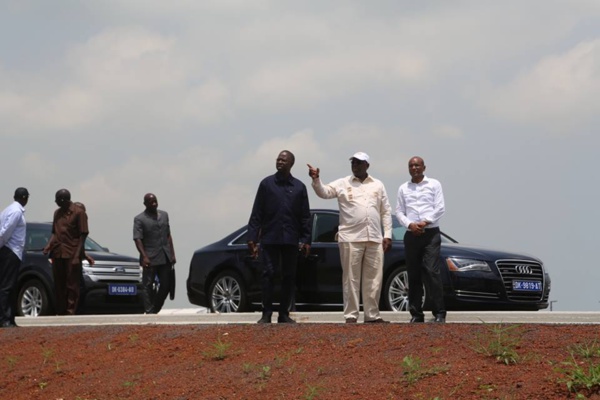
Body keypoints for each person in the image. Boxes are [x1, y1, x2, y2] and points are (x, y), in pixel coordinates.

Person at [308, 152, 392, 323]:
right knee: (351, 279)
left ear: (367, 165)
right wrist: (316, 180)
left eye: (359, 163)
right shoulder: (342, 183)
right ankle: (351, 315)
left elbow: (386, 211)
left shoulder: (377, 184)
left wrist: (388, 234)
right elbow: (324, 192)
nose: (355, 165)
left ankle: (372, 315)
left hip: (374, 237)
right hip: (350, 238)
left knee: (374, 279)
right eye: (353, 162)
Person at [248, 150, 311, 324]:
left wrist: (306, 240)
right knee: (268, 274)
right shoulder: (266, 184)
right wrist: (252, 238)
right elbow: (257, 213)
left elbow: (305, 216)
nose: (280, 162)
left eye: (284, 160)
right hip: (270, 238)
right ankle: (266, 313)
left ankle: (284, 314)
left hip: (290, 240)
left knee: (289, 276)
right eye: (278, 159)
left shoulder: (299, 187)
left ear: (291, 163)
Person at [395, 156, 446, 323]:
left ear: (424, 167)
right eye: (411, 165)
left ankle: (439, 312)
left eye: (417, 165)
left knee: (432, 271)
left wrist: (425, 222)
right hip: (412, 235)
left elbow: (440, 208)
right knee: (413, 274)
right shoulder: (403, 188)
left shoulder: (434, 184)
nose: (414, 168)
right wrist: (410, 225)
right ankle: (416, 314)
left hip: (430, 233)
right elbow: (399, 212)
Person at [43, 189, 89, 315]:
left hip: (72, 252)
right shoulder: (57, 213)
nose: (56, 202)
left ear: (64, 200)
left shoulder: (79, 213)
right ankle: (60, 310)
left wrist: (77, 255)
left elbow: (83, 235)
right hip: (58, 252)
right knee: (59, 283)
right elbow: (54, 232)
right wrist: (48, 245)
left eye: (57, 200)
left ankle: (70, 311)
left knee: (72, 285)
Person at [133, 193, 176, 314]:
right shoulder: (139, 219)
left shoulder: (164, 215)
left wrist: (172, 253)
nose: (154, 203)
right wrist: (144, 256)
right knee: (147, 285)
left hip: (165, 256)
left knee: (166, 285)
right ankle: (149, 310)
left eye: (155, 201)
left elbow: (168, 235)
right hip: (150, 257)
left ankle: (155, 308)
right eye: (151, 202)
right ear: (145, 204)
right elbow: (137, 239)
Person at [0, 188, 29, 328]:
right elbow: (5, 232)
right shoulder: (16, 212)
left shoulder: (8, 210)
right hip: (10, 251)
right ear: (25, 198)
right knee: (6, 286)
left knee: (9, 286)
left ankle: (9, 318)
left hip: (11, 251)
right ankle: (5, 319)